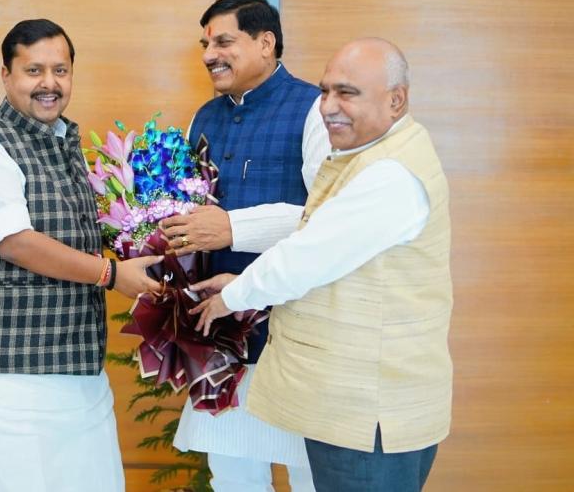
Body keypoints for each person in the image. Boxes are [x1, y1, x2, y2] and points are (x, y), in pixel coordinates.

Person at [190, 38, 453, 492]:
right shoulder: (376, 155)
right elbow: (328, 251)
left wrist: (231, 296)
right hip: (359, 404)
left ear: (396, 100)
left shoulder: (390, 173)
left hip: (370, 413)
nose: (328, 106)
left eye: (347, 93)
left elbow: (306, 257)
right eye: (326, 90)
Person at [0, 18, 162, 492]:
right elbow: (15, 242)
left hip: (75, 373)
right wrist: (112, 274)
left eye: (60, 70)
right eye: (34, 71)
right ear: (5, 75)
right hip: (4, 380)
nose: (49, 83)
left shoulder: (64, 143)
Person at [160, 0, 329, 492]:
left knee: (311, 474)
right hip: (221, 327)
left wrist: (233, 227)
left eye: (223, 42)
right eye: (205, 45)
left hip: (294, 326)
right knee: (233, 472)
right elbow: (188, 212)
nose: (210, 55)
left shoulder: (316, 110)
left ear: (265, 42)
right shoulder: (203, 117)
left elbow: (330, 221)